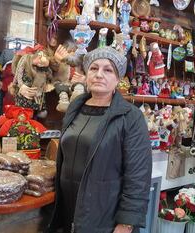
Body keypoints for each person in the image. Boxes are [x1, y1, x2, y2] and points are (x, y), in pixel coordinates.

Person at [48, 47, 152, 233]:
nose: (99, 75)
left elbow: (138, 176)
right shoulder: (75, 108)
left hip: (104, 215)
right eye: (94, 68)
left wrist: (126, 224)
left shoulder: (130, 117)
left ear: (118, 79)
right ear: (86, 74)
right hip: (68, 208)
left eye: (108, 70)